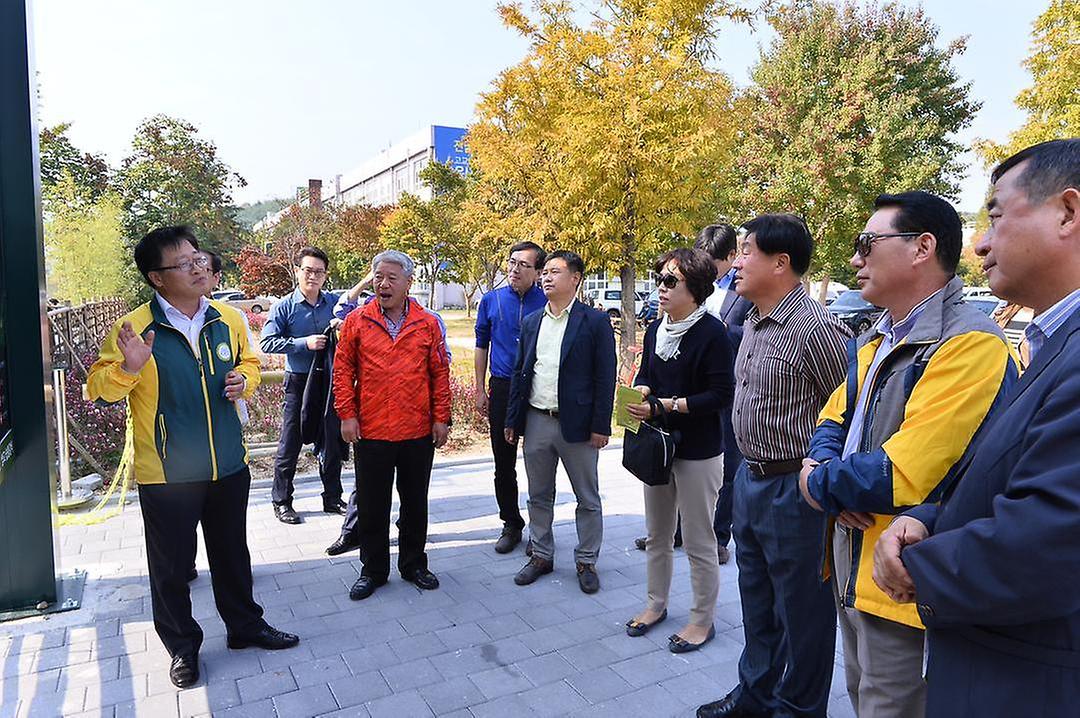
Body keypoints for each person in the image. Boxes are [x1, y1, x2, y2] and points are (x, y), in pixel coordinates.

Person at [873, 139, 1080, 716]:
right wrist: (930, 519)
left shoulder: (986, 342)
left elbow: (1047, 542)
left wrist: (914, 563)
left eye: (995, 216)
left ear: (1067, 212)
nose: (983, 243)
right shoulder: (1050, 344)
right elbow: (1013, 479)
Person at [797, 192, 1018, 718]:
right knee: (860, 697)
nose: (855, 259)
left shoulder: (969, 343)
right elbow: (831, 420)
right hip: (853, 562)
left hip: (903, 584)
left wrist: (814, 484)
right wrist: (822, 471)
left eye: (867, 244)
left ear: (922, 248)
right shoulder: (879, 338)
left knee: (889, 707)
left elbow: (901, 474)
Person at [87, 226, 299, 690]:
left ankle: (245, 627)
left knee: (232, 554)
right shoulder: (133, 328)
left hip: (227, 463)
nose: (198, 266)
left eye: (197, 257)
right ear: (157, 278)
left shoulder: (227, 317)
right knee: (170, 568)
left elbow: (248, 364)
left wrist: (246, 380)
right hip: (166, 474)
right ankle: (183, 647)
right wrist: (129, 368)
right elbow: (97, 392)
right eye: (184, 263)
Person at [698, 214, 849, 718]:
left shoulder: (815, 330)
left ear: (781, 263)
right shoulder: (754, 324)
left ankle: (799, 709)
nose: (735, 261)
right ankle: (755, 696)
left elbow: (845, 413)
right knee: (757, 602)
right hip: (751, 480)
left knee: (803, 614)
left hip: (796, 490)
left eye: (746, 252)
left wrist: (828, 486)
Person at [624, 248, 734, 652]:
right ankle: (656, 604)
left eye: (671, 281)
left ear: (697, 289)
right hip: (658, 446)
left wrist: (667, 405)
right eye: (659, 279)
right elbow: (649, 374)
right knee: (657, 534)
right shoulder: (657, 328)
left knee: (699, 541)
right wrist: (643, 390)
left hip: (699, 451)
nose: (661, 288)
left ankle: (702, 621)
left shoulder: (713, 333)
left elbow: (720, 395)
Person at [332, 250, 451, 601]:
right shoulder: (358, 320)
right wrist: (347, 414)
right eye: (378, 277)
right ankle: (373, 570)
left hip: (416, 429)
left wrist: (441, 417)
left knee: (415, 502)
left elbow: (439, 373)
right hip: (371, 429)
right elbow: (343, 371)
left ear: (408, 283)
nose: (383, 284)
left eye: (391, 278)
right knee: (372, 505)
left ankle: (414, 563)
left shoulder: (427, 322)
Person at [633, 224, 748, 562]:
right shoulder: (675, 292)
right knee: (672, 463)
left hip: (722, 389)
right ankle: (675, 530)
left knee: (724, 461)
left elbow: (754, 331)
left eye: (714, 260)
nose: (708, 265)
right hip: (680, 394)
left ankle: (718, 535)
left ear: (730, 257)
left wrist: (725, 332)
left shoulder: (742, 290)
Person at [505, 250, 616, 594]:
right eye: (545, 272)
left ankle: (586, 560)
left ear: (576, 278)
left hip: (579, 426)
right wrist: (513, 419)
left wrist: (601, 426)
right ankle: (541, 554)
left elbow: (605, 377)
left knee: (587, 497)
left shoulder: (594, 322)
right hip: (537, 419)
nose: (546, 278)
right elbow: (521, 374)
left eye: (555, 272)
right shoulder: (533, 321)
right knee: (539, 494)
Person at [260, 247, 346, 524]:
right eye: (308, 270)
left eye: (319, 272)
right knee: (290, 443)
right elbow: (267, 342)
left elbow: (357, 312)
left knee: (332, 441)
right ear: (298, 271)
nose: (313, 276)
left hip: (330, 381)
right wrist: (303, 343)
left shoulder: (333, 302)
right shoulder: (284, 306)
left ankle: (332, 498)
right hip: (299, 382)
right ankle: (282, 501)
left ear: (325, 275)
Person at [474, 241, 547, 553]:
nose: (515, 270)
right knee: (504, 463)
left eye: (524, 265)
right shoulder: (491, 301)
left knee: (540, 462)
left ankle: (541, 531)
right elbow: (481, 345)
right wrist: (479, 388)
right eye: (512, 263)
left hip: (539, 389)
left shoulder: (547, 302)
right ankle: (511, 523)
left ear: (539, 272)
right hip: (503, 388)